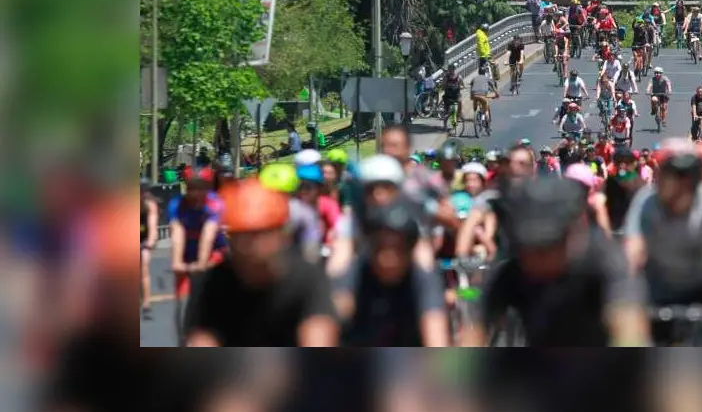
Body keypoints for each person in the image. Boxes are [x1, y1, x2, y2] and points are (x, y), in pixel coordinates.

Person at [465, 177, 651, 347]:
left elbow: (630, 327)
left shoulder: (604, 259)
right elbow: (475, 330)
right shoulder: (512, 270)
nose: (535, 258)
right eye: (526, 247)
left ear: (572, 234)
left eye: (545, 247)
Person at [184, 178, 337, 347]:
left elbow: (318, 335)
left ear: (281, 235)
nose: (247, 246)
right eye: (239, 236)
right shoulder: (210, 284)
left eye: (259, 235)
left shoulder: (306, 278)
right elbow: (201, 343)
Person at [623, 138, 702, 346]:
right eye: (672, 174)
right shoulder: (645, 202)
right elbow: (632, 251)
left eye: (687, 174)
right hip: (659, 290)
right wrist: (624, 298)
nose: (680, 181)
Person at [331, 198, 449, 346]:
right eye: (381, 247)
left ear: (410, 251)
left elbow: (435, 331)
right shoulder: (356, 272)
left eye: (398, 249)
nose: (388, 257)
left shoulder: (424, 279)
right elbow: (334, 315)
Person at [168, 166, 226, 345]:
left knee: (215, 297)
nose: (196, 192)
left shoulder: (215, 204)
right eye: (192, 187)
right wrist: (177, 262)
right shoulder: (177, 205)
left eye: (201, 187)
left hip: (214, 254)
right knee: (183, 302)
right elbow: (177, 233)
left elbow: (208, 234)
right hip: (187, 255)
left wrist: (202, 264)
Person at [140, 179, 159, 321]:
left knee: (144, 265)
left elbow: (152, 228)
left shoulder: (150, 205)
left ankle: (146, 304)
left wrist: (150, 243)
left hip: (143, 239)